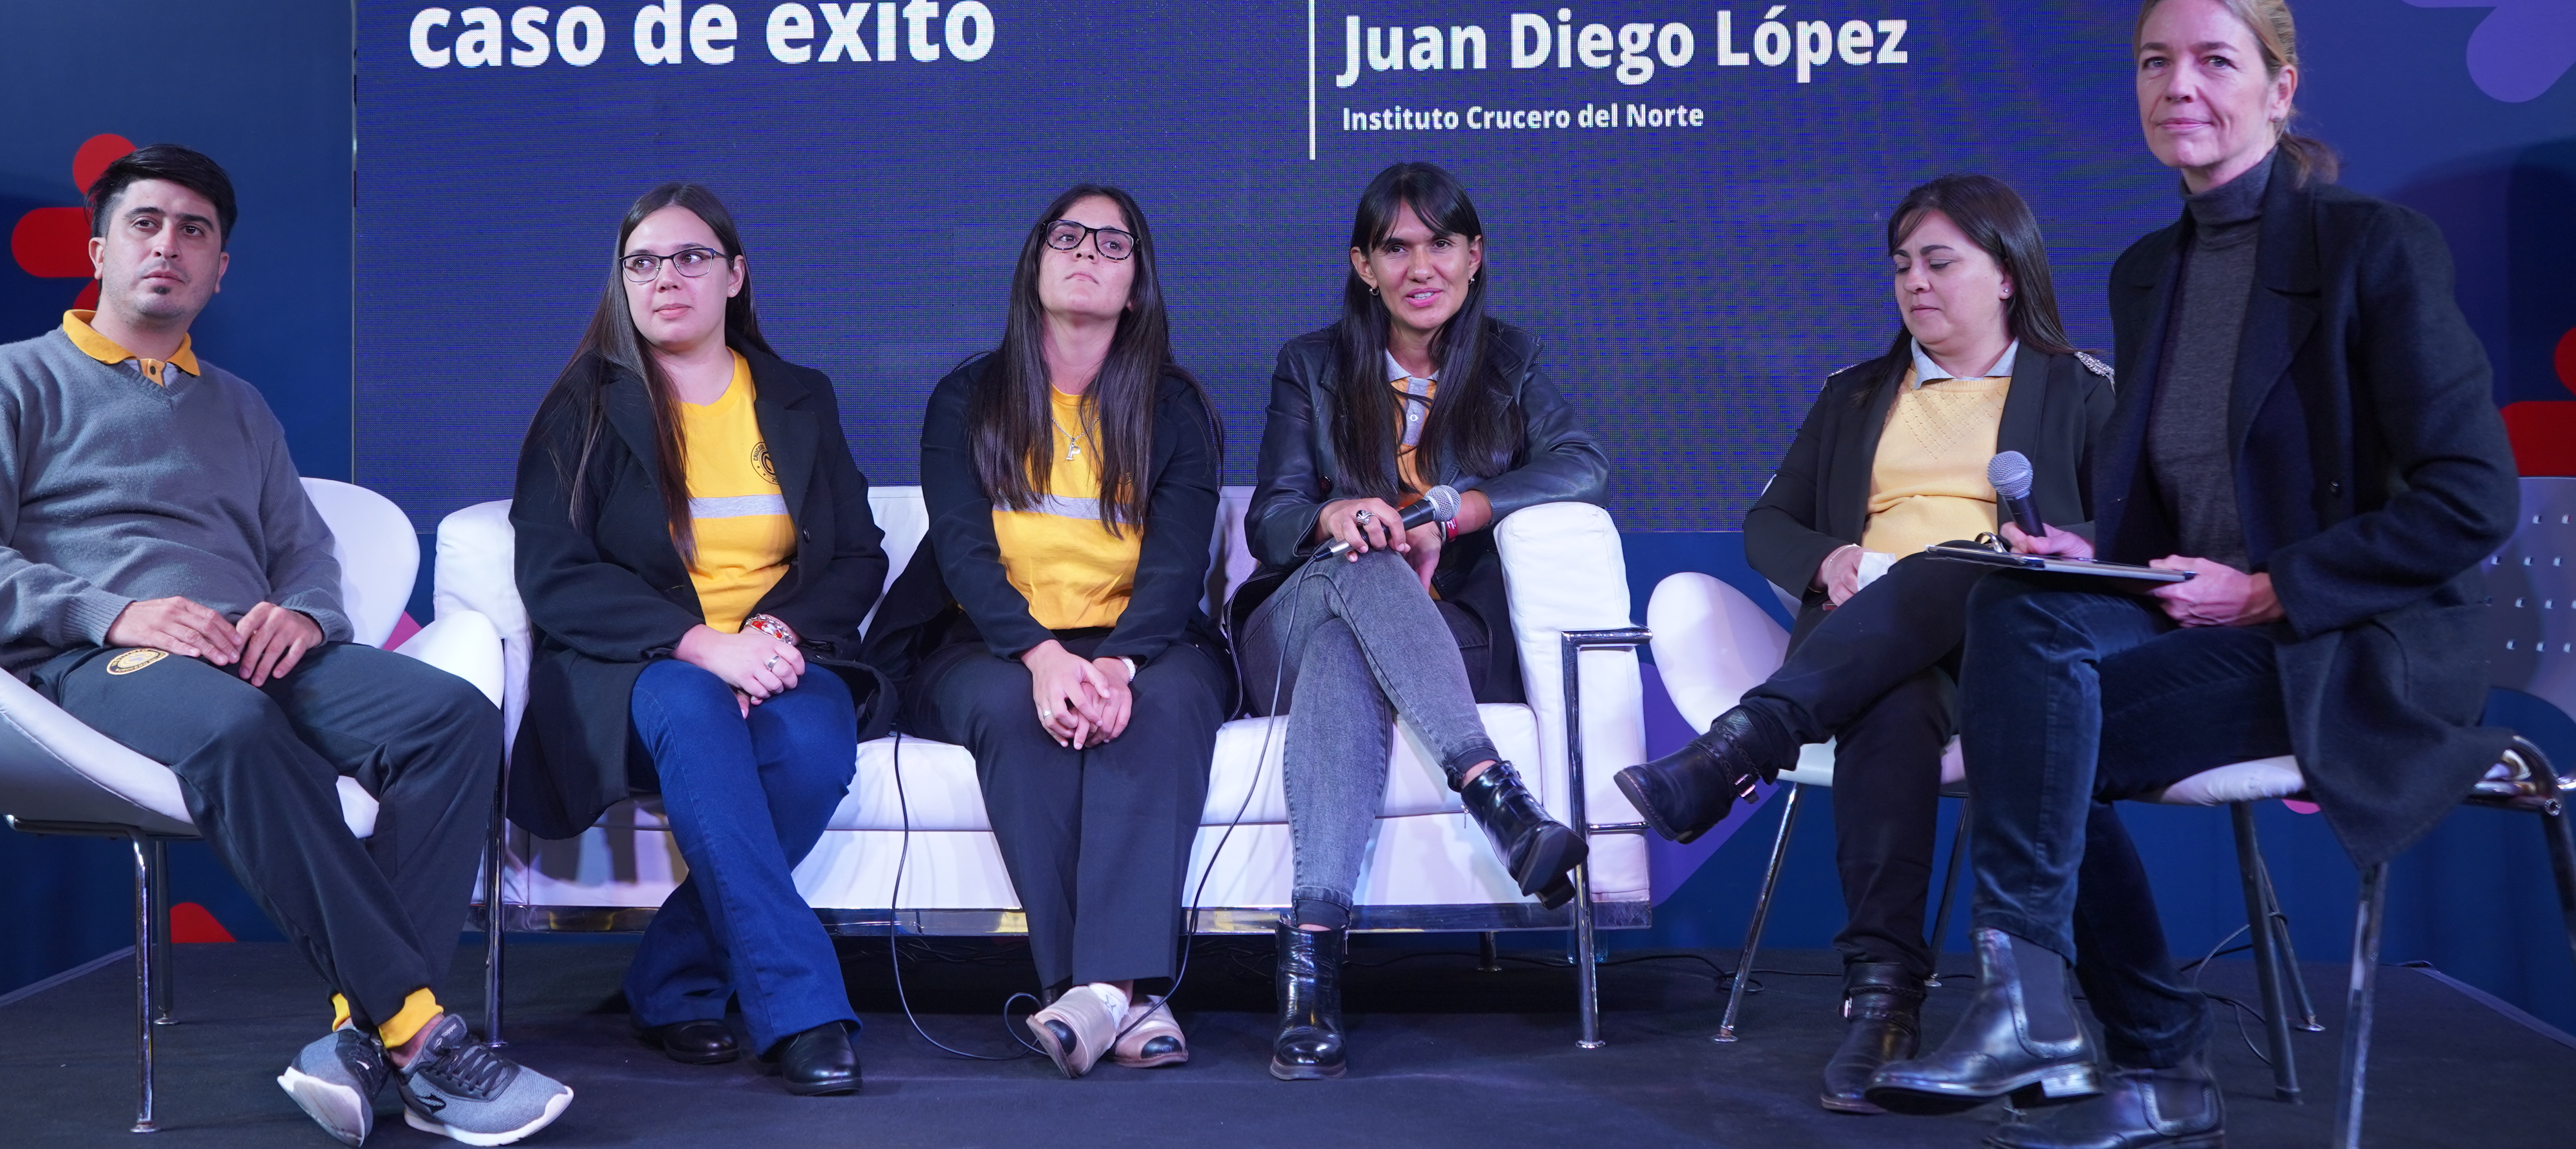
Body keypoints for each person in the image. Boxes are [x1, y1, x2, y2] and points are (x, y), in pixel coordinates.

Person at [1864, 0, 2518, 1148]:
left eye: (2217, 60)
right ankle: (2047, 1013)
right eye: (2156, 62)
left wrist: (2272, 587)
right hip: (2203, 622)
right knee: (2017, 616)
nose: (2181, 86)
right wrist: (2104, 554)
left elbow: (2472, 499)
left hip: (2346, 641)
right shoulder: (2149, 270)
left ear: (2281, 88)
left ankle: (2135, 1050)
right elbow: (2186, 502)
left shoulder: (2374, 247)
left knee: (2024, 732)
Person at [0, 144, 570, 1147]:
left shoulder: (239, 406)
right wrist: (110, 613)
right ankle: (421, 1034)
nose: (167, 245)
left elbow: (304, 550)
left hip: (251, 649)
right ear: (99, 250)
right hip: (98, 658)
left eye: (194, 231)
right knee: (235, 727)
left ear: (219, 268)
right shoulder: (5, 381)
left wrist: (302, 615)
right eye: (145, 223)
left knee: (450, 718)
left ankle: (359, 1031)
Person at [1610, 173, 2115, 1113]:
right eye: (1902, 265)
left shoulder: (2081, 391)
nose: (1916, 282)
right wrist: (1829, 559)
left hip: (2006, 644)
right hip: (1869, 647)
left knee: (1956, 567)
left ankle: (1739, 748)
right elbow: (1769, 523)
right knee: (1892, 699)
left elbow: (2124, 532)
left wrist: (2031, 551)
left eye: (1940, 262)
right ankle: (1883, 1000)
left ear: (2007, 273)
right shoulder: (1854, 396)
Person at [508, 182, 887, 1096]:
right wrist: (703, 646)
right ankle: (802, 1012)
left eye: (690, 258)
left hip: (779, 654)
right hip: (641, 670)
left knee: (812, 745)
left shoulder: (799, 397)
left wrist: (771, 634)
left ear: (735, 276)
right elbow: (555, 573)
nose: (665, 279)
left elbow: (857, 555)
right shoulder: (583, 405)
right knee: (694, 706)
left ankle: (674, 978)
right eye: (642, 263)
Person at [1229, 161, 1605, 1080]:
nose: (1421, 267)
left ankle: (1311, 970)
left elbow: (1582, 464)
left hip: (1442, 638)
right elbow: (1271, 519)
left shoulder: (1511, 362)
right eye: (1396, 248)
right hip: (1301, 609)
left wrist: (1451, 512)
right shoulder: (1311, 365)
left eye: (1441, 244)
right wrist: (1337, 514)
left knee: (1345, 656)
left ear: (1475, 256)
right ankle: (1494, 794)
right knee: (1364, 565)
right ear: (1364, 266)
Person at [875, 185, 1229, 1078]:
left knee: (1160, 708)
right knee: (1015, 712)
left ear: (1138, 285)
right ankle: (1124, 1000)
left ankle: (1095, 998)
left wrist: (1116, 667)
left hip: (1143, 640)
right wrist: (1041, 657)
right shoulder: (968, 398)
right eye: (1067, 237)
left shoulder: (1175, 409)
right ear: (1034, 262)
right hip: (989, 640)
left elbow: (1177, 566)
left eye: (1112, 244)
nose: (1086, 254)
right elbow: (962, 552)